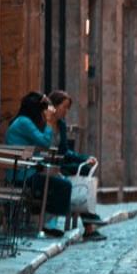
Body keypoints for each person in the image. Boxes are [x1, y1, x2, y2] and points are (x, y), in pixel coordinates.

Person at [5, 92, 105, 241]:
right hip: (23, 173)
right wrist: (50, 123)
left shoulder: (29, 122)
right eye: (64, 107)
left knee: (76, 174)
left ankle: (83, 220)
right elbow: (44, 143)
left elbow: (58, 149)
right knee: (64, 185)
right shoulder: (26, 122)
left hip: (31, 169)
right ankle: (50, 222)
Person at [48, 89, 106, 231]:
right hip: (48, 165)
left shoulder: (61, 124)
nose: (66, 111)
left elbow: (65, 150)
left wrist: (85, 158)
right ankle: (89, 224)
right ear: (53, 106)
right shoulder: (44, 123)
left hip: (60, 162)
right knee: (76, 177)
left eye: (68, 108)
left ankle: (89, 222)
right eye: (64, 107)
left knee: (86, 169)